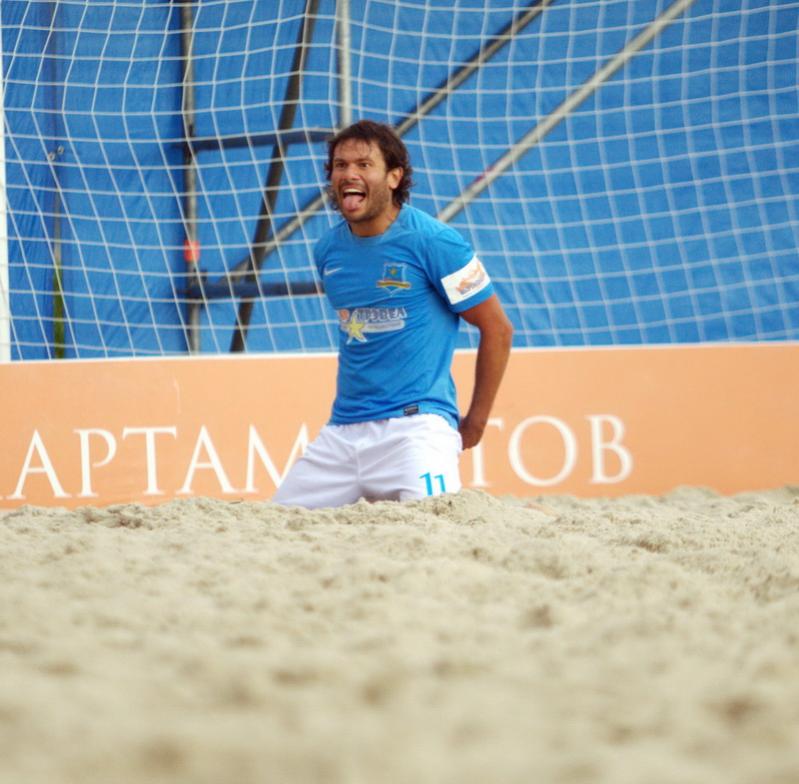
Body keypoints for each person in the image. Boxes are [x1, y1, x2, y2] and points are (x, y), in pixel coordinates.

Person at [273, 119, 512, 508]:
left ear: (395, 177)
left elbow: (498, 329)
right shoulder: (328, 250)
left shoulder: (435, 241)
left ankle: (530, 518)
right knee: (278, 526)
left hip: (416, 428)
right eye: (340, 165)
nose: (349, 173)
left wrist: (476, 422)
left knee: (438, 524)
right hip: (341, 433)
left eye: (364, 164)